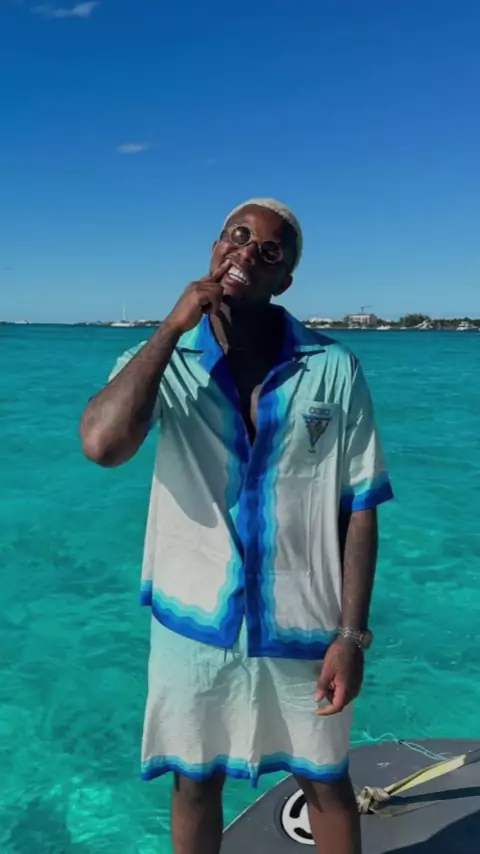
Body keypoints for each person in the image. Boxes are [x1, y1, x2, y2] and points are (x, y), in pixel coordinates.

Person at [80, 199, 394, 854]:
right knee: (195, 784)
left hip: (304, 626)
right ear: (215, 247)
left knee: (325, 782)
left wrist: (351, 636)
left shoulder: (333, 368)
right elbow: (104, 445)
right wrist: (171, 328)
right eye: (237, 235)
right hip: (194, 626)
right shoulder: (164, 361)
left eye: (269, 250)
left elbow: (360, 505)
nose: (247, 251)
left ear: (285, 279)